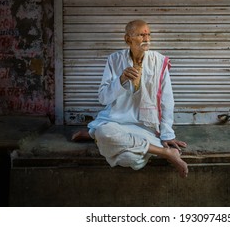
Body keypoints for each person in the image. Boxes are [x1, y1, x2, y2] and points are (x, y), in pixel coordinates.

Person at [72, 20, 188, 178]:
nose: (146, 38)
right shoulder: (114, 60)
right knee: (105, 131)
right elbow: (103, 98)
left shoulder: (159, 61)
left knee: (129, 159)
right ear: (128, 39)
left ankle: (94, 136)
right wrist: (120, 80)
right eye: (141, 35)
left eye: (148, 34)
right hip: (116, 122)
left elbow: (167, 100)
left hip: (144, 127)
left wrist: (167, 134)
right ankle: (166, 153)